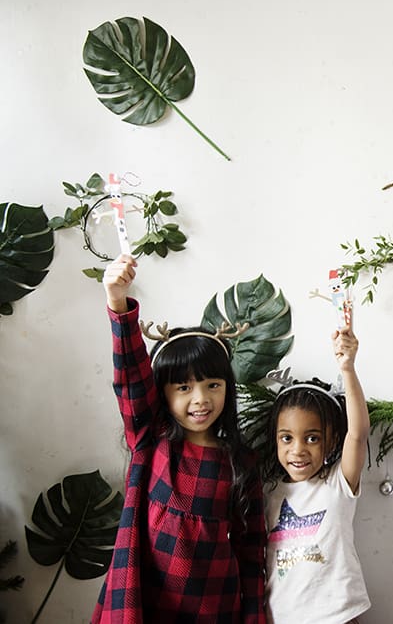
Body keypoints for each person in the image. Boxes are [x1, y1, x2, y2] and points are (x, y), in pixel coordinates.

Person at [94, 254, 266, 623]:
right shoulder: (152, 443)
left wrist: (254, 616)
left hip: (217, 608)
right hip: (150, 605)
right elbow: (130, 379)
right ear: (163, 392)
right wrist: (117, 301)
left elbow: (251, 553)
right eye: (184, 387)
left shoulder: (241, 462)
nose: (200, 399)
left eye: (212, 385)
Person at [262, 324, 371, 624]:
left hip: (338, 617)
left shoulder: (338, 482)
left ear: (332, 440)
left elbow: (359, 434)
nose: (298, 450)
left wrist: (347, 368)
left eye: (312, 438)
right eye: (287, 438)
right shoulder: (268, 493)